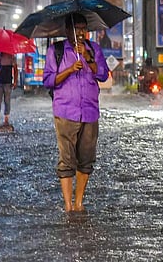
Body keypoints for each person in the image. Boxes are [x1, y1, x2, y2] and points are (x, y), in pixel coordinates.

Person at [43, 13, 109, 212]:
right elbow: (48, 81)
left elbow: (104, 75)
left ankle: (79, 202)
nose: (80, 33)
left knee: (86, 158)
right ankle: (68, 205)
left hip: (90, 111)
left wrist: (89, 59)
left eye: (83, 28)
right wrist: (70, 69)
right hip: (65, 111)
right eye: (76, 28)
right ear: (67, 30)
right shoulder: (56, 50)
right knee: (67, 159)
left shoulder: (93, 49)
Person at [0, 51, 18, 126]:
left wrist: (15, 81)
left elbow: (15, 70)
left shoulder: (11, 57)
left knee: (7, 101)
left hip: (8, 82)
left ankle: (6, 119)